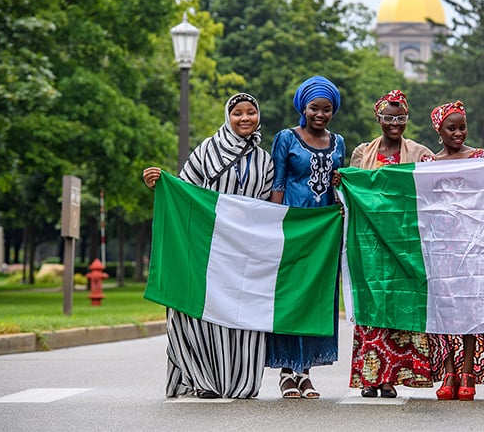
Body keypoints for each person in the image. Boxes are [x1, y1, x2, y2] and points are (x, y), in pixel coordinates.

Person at [142, 92, 274, 399]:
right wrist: (161, 183)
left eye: (250, 112)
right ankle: (202, 380)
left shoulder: (265, 160)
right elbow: (185, 191)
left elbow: (267, 206)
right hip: (206, 246)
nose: (245, 118)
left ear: (258, 116)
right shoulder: (207, 150)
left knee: (241, 313)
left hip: (244, 251)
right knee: (198, 312)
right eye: (238, 113)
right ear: (227, 117)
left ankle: (237, 380)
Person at [424, 100, 484, 401]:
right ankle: (448, 371)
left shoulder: (481, 158)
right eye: (452, 128)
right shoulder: (429, 165)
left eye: (462, 127)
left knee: (470, 310)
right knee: (444, 311)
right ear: (439, 131)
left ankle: (467, 371)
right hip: (442, 250)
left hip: (474, 247)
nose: (458, 133)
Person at [346, 90, 434, 398]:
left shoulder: (420, 153)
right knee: (373, 307)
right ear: (378, 118)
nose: (395, 124)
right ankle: (371, 377)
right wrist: (340, 182)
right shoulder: (362, 153)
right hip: (371, 245)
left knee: (400, 307)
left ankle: (390, 379)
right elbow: (354, 193)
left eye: (401, 118)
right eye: (388, 118)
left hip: (406, 244)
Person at [266, 75, 346, 400]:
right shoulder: (286, 138)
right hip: (293, 227)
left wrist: (341, 185)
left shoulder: (338, 142)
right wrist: (272, 223)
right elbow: (279, 182)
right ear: (303, 107)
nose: (320, 115)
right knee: (291, 297)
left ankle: (306, 371)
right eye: (315, 108)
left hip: (324, 232)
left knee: (318, 298)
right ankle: (287, 371)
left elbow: (339, 186)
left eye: (327, 109)